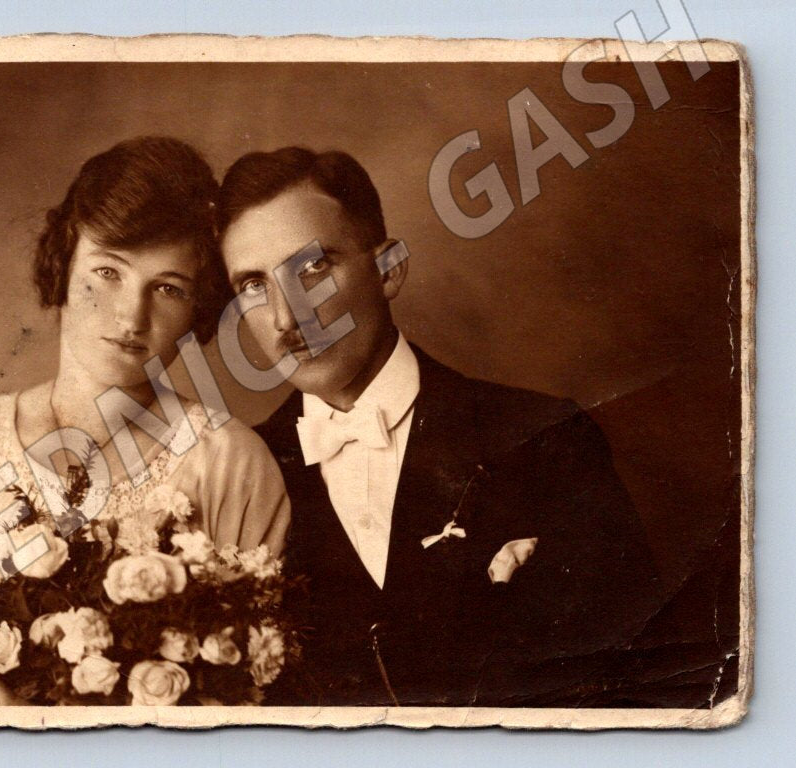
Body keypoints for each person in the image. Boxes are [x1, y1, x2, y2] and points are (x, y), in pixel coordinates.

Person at [216, 146, 661, 706]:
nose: (286, 318)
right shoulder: (239, 476)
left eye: (312, 269)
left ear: (389, 270)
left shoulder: (546, 438)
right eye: (253, 286)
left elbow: (639, 689)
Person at [0, 137, 291, 705]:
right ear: (63, 264)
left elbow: (251, 699)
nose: (131, 315)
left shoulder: (230, 462)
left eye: (168, 288)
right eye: (108, 271)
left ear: (198, 309)